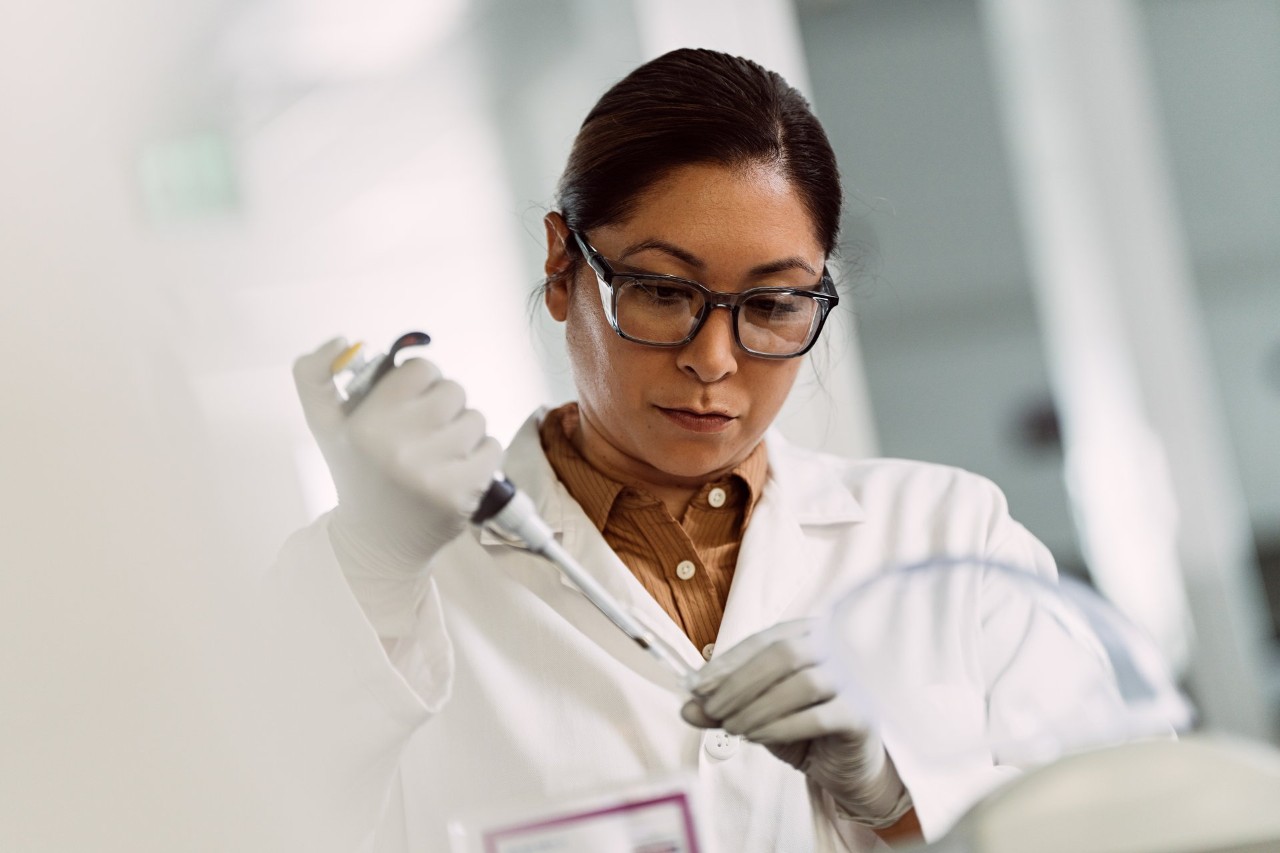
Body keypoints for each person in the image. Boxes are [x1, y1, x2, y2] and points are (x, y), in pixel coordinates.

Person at [275, 48, 1074, 852]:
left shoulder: (952, 539)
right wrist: (371, 558)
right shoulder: (389, 592)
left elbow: (1137, 817)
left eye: (771, 304)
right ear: (562, 266)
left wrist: (903, 792)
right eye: (662, 291)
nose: (716, 359)